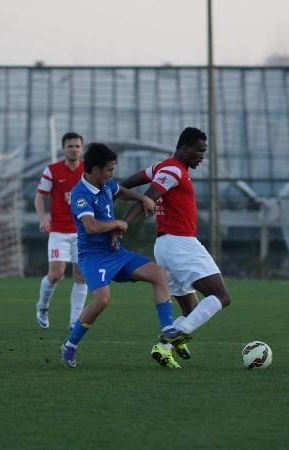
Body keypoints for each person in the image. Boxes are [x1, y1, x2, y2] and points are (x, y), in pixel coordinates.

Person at [61, 142, 187, 369]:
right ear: (95, 169)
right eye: (109, 169)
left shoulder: (106, 184)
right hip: (93, 257)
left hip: (117, 253)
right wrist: (117, 224)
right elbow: (91, 226)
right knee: (102, 300)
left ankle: (168, 328)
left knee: (159, 274)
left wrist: (142, 198)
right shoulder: (80, 193)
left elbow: (121, 191)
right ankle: (70, 345)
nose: (112, 174)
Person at [122, 127, 231, 365]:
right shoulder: (173, 170)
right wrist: (124, 223)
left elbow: (137, 179)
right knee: (221, 296)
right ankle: (174, 334)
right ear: (184, 147)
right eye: (199, 151)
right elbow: (147, 199)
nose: (202, 156)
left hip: (166, 246)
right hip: (180, 244)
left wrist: (116, 190)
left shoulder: (162, 167)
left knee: (191, 310)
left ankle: (163, 348)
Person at [34, 132, 88, 330]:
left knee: (81, 276)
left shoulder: (88, 171)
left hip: (83, 232)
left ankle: (75, 321)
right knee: (56, 274)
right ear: (63, 149)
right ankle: (42, 307)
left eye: (77, 146)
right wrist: (43, 219)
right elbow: (40, 197)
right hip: (59, 232)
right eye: (70, 146)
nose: (73, 149)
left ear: (82, 149)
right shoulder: (52, 170)